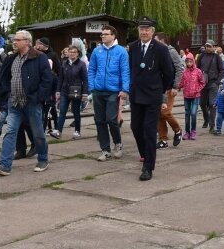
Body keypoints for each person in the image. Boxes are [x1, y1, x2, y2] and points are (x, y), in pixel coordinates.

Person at [0, 30, 53, 176]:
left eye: (17, 40)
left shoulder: (39, 57)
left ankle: (43, 159)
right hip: (14, 103)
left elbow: (48, 80)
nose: (14, 42)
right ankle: (4, 165)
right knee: (10, 132)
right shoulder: (11, 58)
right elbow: (3, 78)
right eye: (14, 40)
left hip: (32, 103)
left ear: (27, 41)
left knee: (38, 133)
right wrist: (5, 96)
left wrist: (38, 98)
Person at [128, 16, 175, 181]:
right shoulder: (133, 47)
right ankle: (145, 153)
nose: (144, 32)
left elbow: (169, 73)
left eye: (147, 29)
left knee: (149, 132)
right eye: (141, 29)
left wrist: (159, 89)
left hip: (153, 96)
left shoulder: (161, 49)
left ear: (152, 31)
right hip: (136, 95)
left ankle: (148, 167)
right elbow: (130, 70)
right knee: (135, 127)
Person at [87, 25, 130, 162]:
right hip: (98, 90)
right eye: (102, 34)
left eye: (106, 34)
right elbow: (91, 70)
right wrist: (92, 87)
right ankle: (105, 150)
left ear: (113, 36)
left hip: (113, 91)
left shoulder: (121, 51)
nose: (103, 36)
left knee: (111, 119)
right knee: (99, 120)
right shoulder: (96, 51)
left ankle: (118, 143)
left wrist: (124, 89)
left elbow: (125, 71)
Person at [50, 45, 88, 140]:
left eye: (74, 52)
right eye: (70, 52)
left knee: (76, 112)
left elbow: (85, 79)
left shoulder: (81, 64)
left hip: (76, 91)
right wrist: (58, 91)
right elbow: (60, 79)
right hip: (64, 91)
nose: (72, 53)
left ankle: (77, 131)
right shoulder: (64, 63)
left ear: (78, 53)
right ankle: (58, 131)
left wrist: (85, 93)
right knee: (62, 111)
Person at [154, 32, 183, 149]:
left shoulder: (171, 51)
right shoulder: (156, 52)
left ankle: (177, 130)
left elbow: (180, 68)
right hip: (158, 88)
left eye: (155, 40)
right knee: (159, 114)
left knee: (165, 112)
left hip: (169, 88)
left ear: (162, 40)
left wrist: (176, 86)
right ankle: (163, 139)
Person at [197, 41, 224, 133]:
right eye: (206, 46)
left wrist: (218, 81)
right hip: (203, 83)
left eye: (209, 46)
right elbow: (198, 69)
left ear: (214, 47)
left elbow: (221, 70)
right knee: (202, 103)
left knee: (212, 104)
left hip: (213, 83)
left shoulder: (217, 57)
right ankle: (206, 119)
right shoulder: (201, 56)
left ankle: (212, 125)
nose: (207, 48)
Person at [35, 37, 60, 134]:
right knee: (49, 108)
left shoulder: (52, 55)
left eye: (39, 44)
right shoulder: (37, 54)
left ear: (45, 45)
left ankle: (52, 127)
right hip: (40, 83)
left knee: (49, 107)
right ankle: (51, 127)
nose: (37, 46)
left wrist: (56, 82)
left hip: (51, 83)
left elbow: (58, 68)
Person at [178, 53, 205, 139]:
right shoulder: (184, 72)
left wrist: (197, 90)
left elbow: (202, 82)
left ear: (193, 61)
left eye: (190, 62)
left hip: (195, 96)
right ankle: (187, 132)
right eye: (187, 62)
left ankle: (193, 131)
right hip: (186, 96)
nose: (189, 63)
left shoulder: (198, 71)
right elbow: (181, 83)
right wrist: (176, 87)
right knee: (187, 114)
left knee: (193, 113)